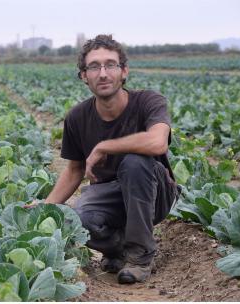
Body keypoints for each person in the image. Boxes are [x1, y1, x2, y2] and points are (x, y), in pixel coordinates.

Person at [41, 34, 180, 284]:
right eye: (94, 66)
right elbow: (74, 170)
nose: (103, 73)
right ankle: (118, 249)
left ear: (124, 71)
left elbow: (157, 141)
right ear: (84, 76)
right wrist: (45, 206)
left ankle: (140, 257)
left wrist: (106, 146)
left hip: (153, 192)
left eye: (110, 65)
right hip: (109, 196)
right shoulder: (77, 117)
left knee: (135, 162)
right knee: (79, 220)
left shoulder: (149, 101)